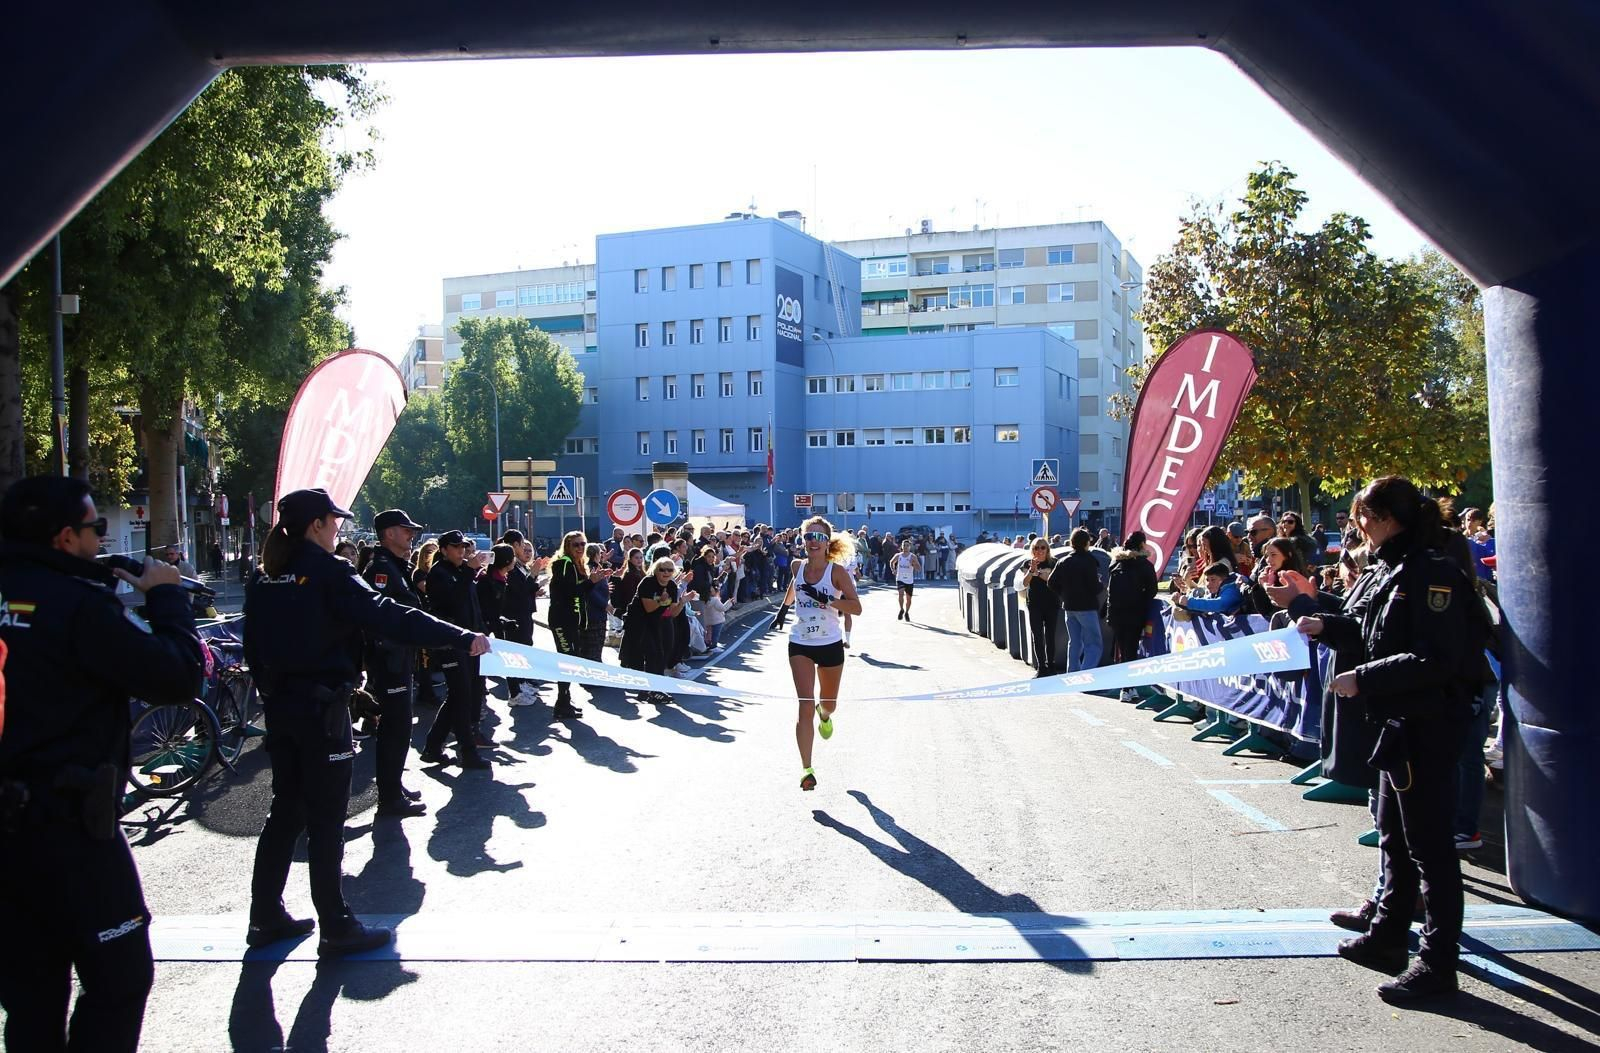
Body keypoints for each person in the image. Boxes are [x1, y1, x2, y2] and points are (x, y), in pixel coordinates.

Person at [0, 476, 205, 1052]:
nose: (100, 540)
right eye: (95, 529)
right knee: (120, 978)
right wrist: (166, 597)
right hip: (70, 828)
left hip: (10, 833)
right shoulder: (76, 606)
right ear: (65, 537)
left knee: (30, 994)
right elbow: (176, 677)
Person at [245, 489, 489, 958]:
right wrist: (460, 637)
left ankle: (265, 915)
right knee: (325, 818)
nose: (339, 528)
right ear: (317, 525)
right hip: (322, 712)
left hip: (283, 709)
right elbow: (388, 615)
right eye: (334, 521)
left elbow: (254, 648)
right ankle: (335, 924)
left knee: (286, 812)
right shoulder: (330, 572)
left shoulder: (265, 577)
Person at [1296, 476, 1480, 1003]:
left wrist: (1366, 678)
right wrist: (1319, 625)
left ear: (1383, 519)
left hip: (1427, 724)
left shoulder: (1429, 571)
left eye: (1362, 518)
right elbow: (1369, 631)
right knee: (1396, 837)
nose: (1358, 528)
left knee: (1430, 848)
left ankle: (1438, 965)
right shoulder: (1395, 568)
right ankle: (1387, 936)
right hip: (1398, 722)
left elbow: (1435, 659)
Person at [359, 508, 431, 819]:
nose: (411, 535)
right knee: (395, 728)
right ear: (389, 533)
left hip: (400, 658)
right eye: (406, 530)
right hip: (389, 662)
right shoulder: (381, 570)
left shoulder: (397, 566)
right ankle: (389, 797)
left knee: (399, 728)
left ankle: (394, 784)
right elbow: (378, 620)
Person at [783, 517, 863, 790]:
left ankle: (825, 714)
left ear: (827, 543)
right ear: (802, 541)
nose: (813, 542)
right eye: (808, 537)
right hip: (800, 642)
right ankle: (806, 769)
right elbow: (794, 588)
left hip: (829, 643)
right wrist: (783, 611)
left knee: (828, 704)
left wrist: (828, 599)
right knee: (804, 704)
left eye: (818, 537)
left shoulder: (837, 572)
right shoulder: (797, 566)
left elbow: (856, 607)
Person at [418, 530, 493, 766]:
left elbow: (472, 607)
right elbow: (452, 603)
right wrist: (469, 572)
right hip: (450, 643)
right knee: (461, 696)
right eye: (456, 547)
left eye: (463, 547)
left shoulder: (461, 572)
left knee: (461, 695)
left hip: (468, 642)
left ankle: (432, 746)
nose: (461, 551)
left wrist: (483, 631)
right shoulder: (439, 574)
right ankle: (467, 751)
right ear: (443, 550)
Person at [547, 530, 611, 720]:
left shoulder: (578, 565)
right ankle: (561, 703)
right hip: (561, 619)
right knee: (566, 659)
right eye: (576, 544)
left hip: (573, 620)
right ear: (567, 546)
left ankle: (564, 701)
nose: (580, 548)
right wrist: (590, 581)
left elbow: (580, 592)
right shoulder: (563, 564)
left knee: (571, 659)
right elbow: (570, 592)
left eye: (583, 544)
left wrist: (593, 581)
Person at [619, 556, 690, 705]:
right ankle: (652, 690)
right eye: (662, 569)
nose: (666, 572)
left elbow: (673, 612)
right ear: (656, 571)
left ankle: (651, 689)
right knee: (653, 653)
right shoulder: (647, 582)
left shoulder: (671, 585)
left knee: (664, 651)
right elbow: (648, 608)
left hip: (659, 621)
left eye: (670, 570)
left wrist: (683, 602)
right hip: (640, 621)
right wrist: (661, 600)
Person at [1105, 531, 1157, 701]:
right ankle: (1127, 688)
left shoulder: (1115, 562)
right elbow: (1152, 591)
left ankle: (1127, 686)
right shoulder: (1144, 565)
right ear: (1142, 544)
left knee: (1122, 649)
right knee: (1131, 650)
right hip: (1135, 612)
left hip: (1116, 612)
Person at [1049, 528, 1104, 671]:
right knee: (1093, 644)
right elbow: (1094, 587)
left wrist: (1064, 593)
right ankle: (1086, 676)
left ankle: (1072, 673)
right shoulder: (1089, 561)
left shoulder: (1063, 561)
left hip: (1069, 606)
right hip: (1086, 607)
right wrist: (1100, 584)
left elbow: (1051, 582)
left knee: (1075, 643)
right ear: (1087, 543)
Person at [499, 529, 542, 707]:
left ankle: (522, 684)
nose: (524, 547)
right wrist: (532, 574)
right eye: (522, 544)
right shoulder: (510, 565)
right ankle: (515, 691)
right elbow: (518, 589)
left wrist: (534, 581)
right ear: (515, 545)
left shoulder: (516, 565)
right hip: (515, 615)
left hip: (523, 612)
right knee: (517, 651)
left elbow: (525, 587)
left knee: (525, 648)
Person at [1022, 538, 1060, 676]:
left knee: (1050, 636)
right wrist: (1031, 570)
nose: (1040, 550)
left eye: (1043, 547)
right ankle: (1041, 667)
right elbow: (1025, 583)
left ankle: (1051, 665)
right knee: (1037, 636)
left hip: (1051, 603)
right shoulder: (1028, 563)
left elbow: (1051, 579)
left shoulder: (1054, 562)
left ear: (1047, 549)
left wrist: (1038, 573)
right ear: (1032, 549)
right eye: (1036, 548)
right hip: (1035, 604)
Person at [1172, 561, 1244, 615]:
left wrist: (1189, 602)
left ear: (1224, 579)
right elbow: (1204, 606)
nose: (1208, 585)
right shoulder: (1215, 592)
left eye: (1213, 580)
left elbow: (1220, 605)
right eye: (1207, 580)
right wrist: (1180, 603)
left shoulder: (1232, 589)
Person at [889, 538, 920, 621]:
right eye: (904, 546)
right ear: (901, 547)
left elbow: (919, 568)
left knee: (909, 599)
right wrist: (893, 569)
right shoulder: (898, 555)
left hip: (909, 580)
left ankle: (906, 612)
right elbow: (891, 562)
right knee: (900, 594)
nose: (905, 547)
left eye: (907, 546)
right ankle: (901, 609)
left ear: (910, 547)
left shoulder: (912, 556)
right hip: (900, 578)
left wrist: (913, 564)